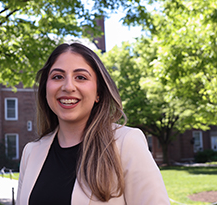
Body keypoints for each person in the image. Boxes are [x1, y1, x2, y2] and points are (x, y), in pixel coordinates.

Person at [16, 43, 170, 205]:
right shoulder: (31, 152)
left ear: (98, 93)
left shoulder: (126, 144)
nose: (68, 87)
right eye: (57, 77)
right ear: (46, 88)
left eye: (81, 77)